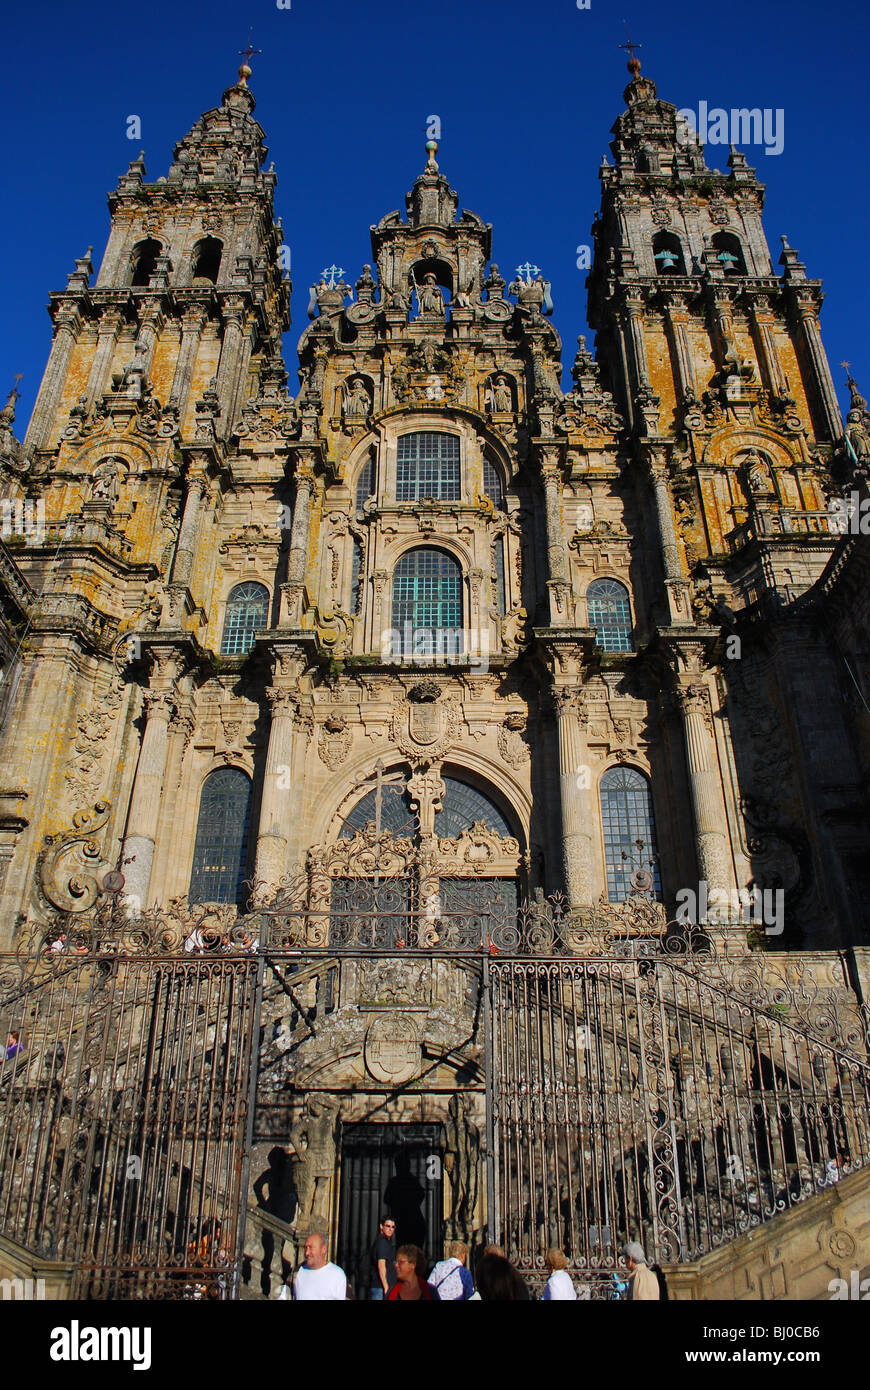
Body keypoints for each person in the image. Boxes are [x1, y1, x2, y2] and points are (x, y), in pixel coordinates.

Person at [293, 1232, 347, 1301]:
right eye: (305, 1247)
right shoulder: (296, 1272)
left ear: (323, 1249)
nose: (307, 1253)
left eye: (311, 1248)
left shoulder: (338, 1275)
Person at [370, 1214, 397, 1300]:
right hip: (381, 1288)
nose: (390, 1229)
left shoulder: (382, 1242)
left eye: (393, 1227)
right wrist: (386, 1287)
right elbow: (381, 1265)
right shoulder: (383, 1243)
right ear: (381, 1227)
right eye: (388, 1226)